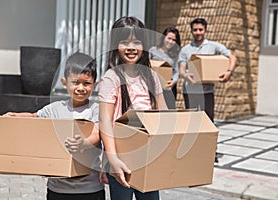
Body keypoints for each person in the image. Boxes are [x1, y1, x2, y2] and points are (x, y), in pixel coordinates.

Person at [4, 52, 105, 200]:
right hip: (58, 188)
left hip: (90, 188)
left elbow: (97, 134)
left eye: (87, 83)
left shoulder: (96, 110)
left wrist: (84, 143)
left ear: (95, 85)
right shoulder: (55, 109)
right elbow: (34, 117)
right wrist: (15, 116)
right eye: (75, 82)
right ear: (64, 82)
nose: (81, 88)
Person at [98, 16, 168, 200]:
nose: (131, 47)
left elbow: (164, 115)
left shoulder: (152, 77)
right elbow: (105, 121)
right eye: (124, 42)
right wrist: (111, 159)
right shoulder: (111, 78)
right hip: (121, 157)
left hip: (148, 156)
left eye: (137, 42)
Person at [178, 18, 237, 163]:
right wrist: (187, 76)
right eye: (195, 30)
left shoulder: (213, 46)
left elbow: (232, 57)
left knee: (208, 122)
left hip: (207, 91)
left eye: (200, 29)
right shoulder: (186, 49)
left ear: (205, 30)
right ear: (191, 31)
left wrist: (229, 72)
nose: (198, 32)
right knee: (192, 122)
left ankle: (210, 152)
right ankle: (192, 152)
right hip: (190, 91)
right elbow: (181, 70)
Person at [149, 27, 181, 109]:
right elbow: (147, 66)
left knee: (169, 111)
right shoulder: (153, 51)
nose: (170, 42)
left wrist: (173, 82)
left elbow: (177, 71)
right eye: (169, 38)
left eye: (173, 40)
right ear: (164, 37)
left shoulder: (176, 54)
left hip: (168, 87)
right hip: (154, 86)